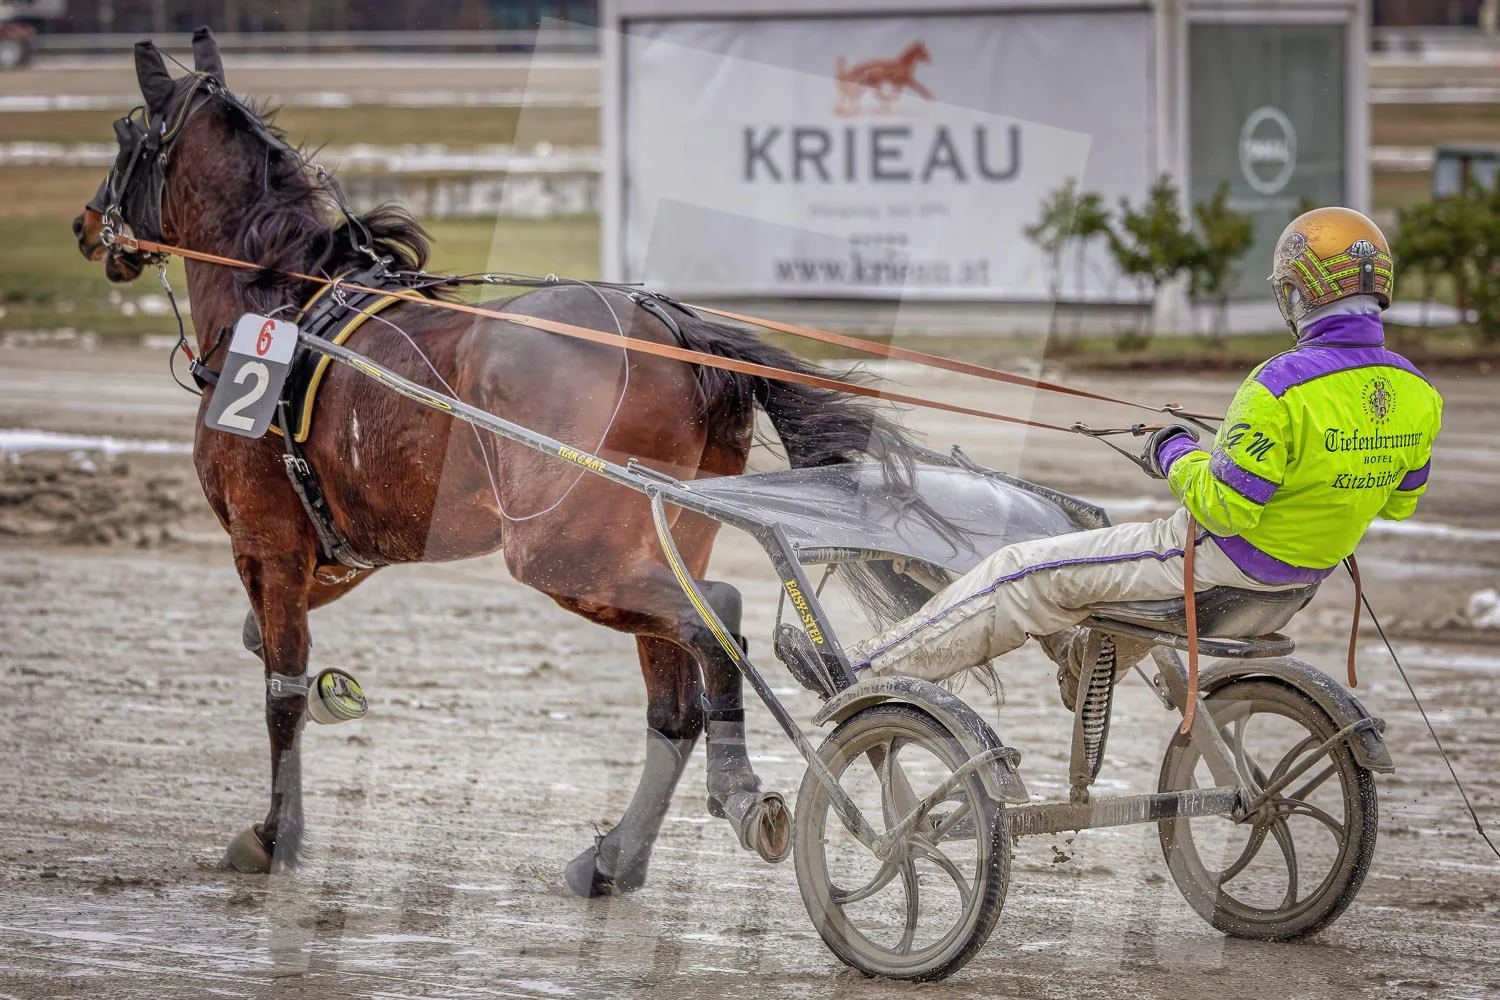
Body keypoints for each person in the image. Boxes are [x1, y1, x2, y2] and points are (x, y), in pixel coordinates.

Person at [848, 207, 1443, 705]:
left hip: (1220, 563)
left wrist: (1174, 451)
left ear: (1299, 292)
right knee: (1103, 550)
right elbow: (1398, 504)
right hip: (1297, 581)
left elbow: (1224, 510)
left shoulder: (1279, 385)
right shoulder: (1419, 393)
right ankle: (1084, 668)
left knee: (1015, 573)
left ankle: (868, 675)